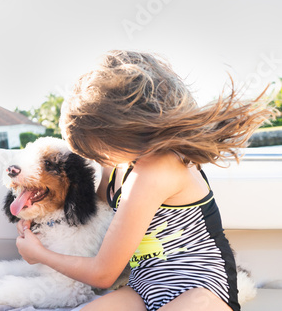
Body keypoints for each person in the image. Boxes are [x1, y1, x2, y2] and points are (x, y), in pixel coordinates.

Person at [15, 50, 278, 311]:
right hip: (144, 288)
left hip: (201, 291)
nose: (95, 156)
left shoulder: (157, 169)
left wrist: (39, 255)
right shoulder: (117, 163)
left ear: (119, 132)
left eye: (96, 146)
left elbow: (102, 274)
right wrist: (38, 209)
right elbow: (91, 205)